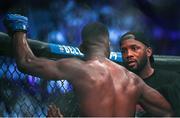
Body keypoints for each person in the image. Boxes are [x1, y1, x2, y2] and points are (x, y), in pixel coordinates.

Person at [3, 14, 173, 117]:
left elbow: (27, 62)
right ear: (108, 47)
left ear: (82, 48)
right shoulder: (133, 80)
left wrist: (19, 28)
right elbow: (167, 112)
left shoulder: (79, 69)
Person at [119, 31, 180, 116]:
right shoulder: (119, 84)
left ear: (148, 52)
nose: (128, 54)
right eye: (124, 51)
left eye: (134, 48)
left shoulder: (172, 80)